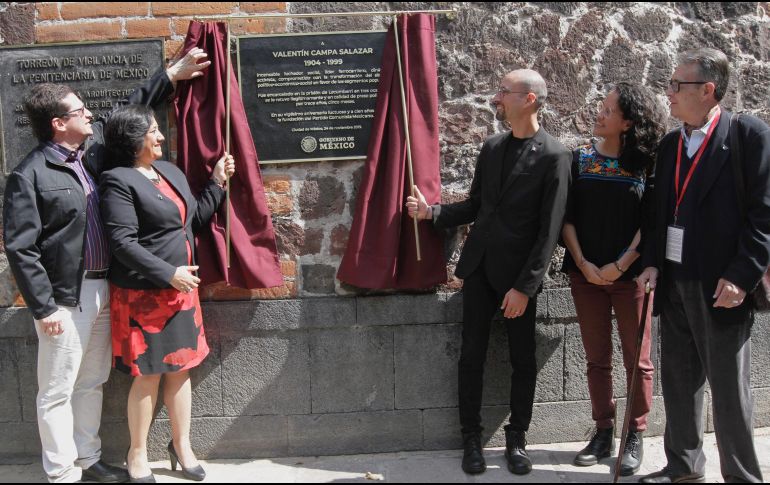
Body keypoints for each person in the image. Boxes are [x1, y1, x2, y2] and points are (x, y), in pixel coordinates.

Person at [2, 49, 211, 483]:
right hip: (65, 297)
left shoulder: (91, 159)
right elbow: (21, 247)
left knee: (91, 380)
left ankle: (88, 458)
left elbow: (124, 118)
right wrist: (44, 307)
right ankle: (61, 472)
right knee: (57, 388)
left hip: (103, 289)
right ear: (59, 123)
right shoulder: (30, 174)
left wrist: (169, 76)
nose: (91, 114)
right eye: (81, 111)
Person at [406, 69, 571, 476]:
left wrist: (524, 288)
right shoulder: (493, 146)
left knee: (523, 360)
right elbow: (478, 205)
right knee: (471, 357)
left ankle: (517, 440)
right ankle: (471, 440)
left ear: (529, 99)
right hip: (478, 270)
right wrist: (433, 213)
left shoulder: (556, 155)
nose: (496, 98)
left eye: (504, 92)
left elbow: (549, 233)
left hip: (518, 279)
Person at [637, 47, 770, 483]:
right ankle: (683, 467)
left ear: (708, 90)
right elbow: (658, 214)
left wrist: (742, 274)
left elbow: (764, 213)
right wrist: (653, 262)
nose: (669, 93)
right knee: (678, 381)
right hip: (674, 280)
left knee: (729, 390)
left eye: (678, 85)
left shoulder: (748, 136)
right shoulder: (671, 144)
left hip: (723, 285)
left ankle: (742, 476)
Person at [100, 105, 234, 482]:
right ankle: (137, 454)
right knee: (148, 376)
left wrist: (217, 183)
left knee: (181, 372)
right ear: (132, 139)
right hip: (145, 295)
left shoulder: (169, 172)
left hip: (182, 293)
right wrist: (167, 273)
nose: (161, 137)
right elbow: (122, 243)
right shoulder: (118, 180)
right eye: (153, 131)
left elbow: (190, 222)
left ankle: (182, 445)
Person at [561, 82, 666, 476]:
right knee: (596, 358)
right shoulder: (579, 160)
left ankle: (634, 434)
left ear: (628, 122)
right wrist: (584, 263)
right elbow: (566, 218)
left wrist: (621, 265)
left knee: (637, 361)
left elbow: (651, 221)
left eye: (607, 109)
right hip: (584, 274)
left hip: (632, 277)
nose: (598, 113)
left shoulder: (645, 165)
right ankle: (603, 431)